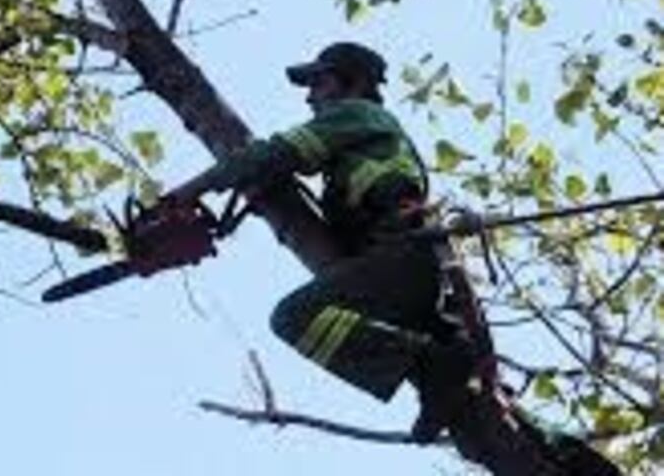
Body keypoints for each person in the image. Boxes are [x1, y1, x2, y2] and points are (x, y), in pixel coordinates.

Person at [166, 41, 476, 442]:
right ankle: (441, 377)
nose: (310, 98)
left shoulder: (360, 113)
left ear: (355, 83)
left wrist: (189, 192)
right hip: (404, 270)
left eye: (320, 83)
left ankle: (432, 364)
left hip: (404, 255)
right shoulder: (349, 160)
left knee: (293, 317)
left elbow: (273, 154)